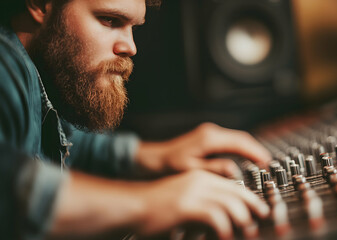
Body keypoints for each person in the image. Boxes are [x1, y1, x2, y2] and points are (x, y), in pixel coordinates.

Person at [0, 0, 273, 239]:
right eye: (110, 20)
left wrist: (156, 156)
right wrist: (148, 203)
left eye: (134, 27)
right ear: (39, 4)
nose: (130, 47)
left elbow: (70, 143)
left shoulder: (38, 76)